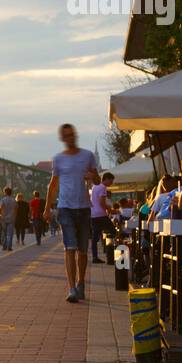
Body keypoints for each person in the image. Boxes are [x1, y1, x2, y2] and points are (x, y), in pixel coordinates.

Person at [45, 123, 98, 303]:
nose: (69, 138)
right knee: (70, 248)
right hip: (65, 207)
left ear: (75, 135)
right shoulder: (58, 159)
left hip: (83, 207)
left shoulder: (88, 155)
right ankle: (72, 288)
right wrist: (47, 208)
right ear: (62, 138)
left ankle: (81, 282)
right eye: (65, 135)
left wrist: (93, 176)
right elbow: (53, 185)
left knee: (83, 251)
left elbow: (98, 179)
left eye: (71, 134)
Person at [90, 172, 115, 263]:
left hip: (93, 214)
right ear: (107, 179)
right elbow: (101, 202)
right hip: (101, 214)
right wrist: (110, 210)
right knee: (114, 231)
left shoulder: (94, 186)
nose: (111, 183)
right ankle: (114, 254)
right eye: (111, 181)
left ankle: (95, 257)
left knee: (95, 237)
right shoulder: (103, 187)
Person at [0, 186, 16, 251]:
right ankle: (9, 246)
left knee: (4, 233)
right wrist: (14, 216)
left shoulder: (3, 200)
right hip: (11, 219)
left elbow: (0, 208)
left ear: (5, 192)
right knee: (9, 233)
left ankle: (4, 246)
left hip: (4, 219)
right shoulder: (14, 200)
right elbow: (16, 209)